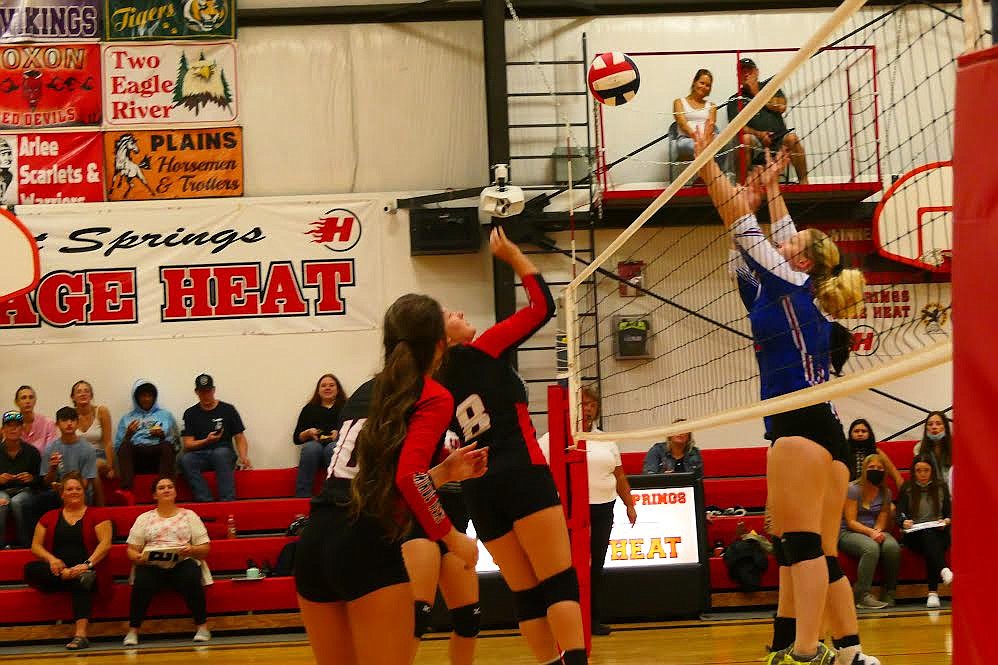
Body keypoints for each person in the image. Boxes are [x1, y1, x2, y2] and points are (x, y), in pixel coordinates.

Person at [692, 127, 874, 665]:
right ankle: (849, 653)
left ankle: (802, 652)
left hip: (800, 423)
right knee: (819, 553)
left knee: (800, 549)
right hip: (826, 429)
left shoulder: (786, 281)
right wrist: (770, 186)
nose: (781, 238)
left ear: (805, 261)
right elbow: (775, 229)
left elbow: (740, 222)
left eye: (790, 241)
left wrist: (706, 157)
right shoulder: (793, 288)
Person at [294, 292, 487, 665]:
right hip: (364, 543)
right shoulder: (433, 395)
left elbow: (378, 481)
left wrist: (445, 471)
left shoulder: (364, 392)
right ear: (439, 345)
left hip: (316, 541)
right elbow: (408, 479)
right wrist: (452, 536)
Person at [440, 227, 589, 665]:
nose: (462, 311)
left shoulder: (431, 385)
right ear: (443, 337)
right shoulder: (482, 349)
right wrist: (514, 255)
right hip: (522, 472)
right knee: (558, 581)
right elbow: (542, 307)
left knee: (525, 592)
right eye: (451, 313)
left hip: (478, 490)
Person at [24, 472, 112, 650]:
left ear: (84, 492)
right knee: (30, 568)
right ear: (62, 493)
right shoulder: (49, 516)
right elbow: (35, 546)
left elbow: (105, 544)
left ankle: (81, 636)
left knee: (83, 581)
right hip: (59, 572)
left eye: (78, 488)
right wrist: (52, 560)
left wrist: (86, 564)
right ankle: (69, 576)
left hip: (87, 570)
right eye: (69, 489)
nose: (74, 492)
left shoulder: (98, 515)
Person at [124, 476, 213, 646]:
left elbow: (205, 549)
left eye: (170, 487)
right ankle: (133, 631)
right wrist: (137, 557)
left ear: (175, 492)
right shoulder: (144, 518)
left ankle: (202, 627)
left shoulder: (189, 515)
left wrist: (192, 549)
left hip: (181, 561)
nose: (166, 490)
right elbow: (131, 549)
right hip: (152, 565)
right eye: (161, 487)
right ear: (154, 495)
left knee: (191, 576)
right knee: (142, 581)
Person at [726, 58, 808, 184]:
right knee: (745, 139)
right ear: (738, 76)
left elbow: (782, 106)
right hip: (756, 143)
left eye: (750, 70)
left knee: (792, 138)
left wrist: (757, 93)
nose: (746, 73)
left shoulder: (770, 87)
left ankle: (804, 183)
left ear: (757, 72)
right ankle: (740, 187)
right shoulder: (734, 99)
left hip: (779, 139)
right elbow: (737, 127)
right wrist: (760, 134)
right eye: (742, 71)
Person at [838, 454, 900, 609]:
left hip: (872, 529)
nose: (876, 471)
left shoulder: (886, 493)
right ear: (865, 469)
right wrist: (871, 533)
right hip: (849, 532)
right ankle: (861, 595)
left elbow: (882, 517)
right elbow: (851, 521)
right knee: (870, 548)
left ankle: (889, 591)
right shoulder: (853, 489)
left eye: (879, 468)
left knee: (892, 547)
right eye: (872, 468)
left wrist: (878, 530)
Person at [179, 375, 252, 502]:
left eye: (208, 391)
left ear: (213, 390)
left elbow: (239, 436)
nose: (205, 395)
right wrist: (206, 441)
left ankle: (227, 501)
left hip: (223, 452)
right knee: (185, 460)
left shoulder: (228, 409)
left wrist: (244, 456)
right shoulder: (190, 413)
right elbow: (188, 444)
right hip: (200, 454)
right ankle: (205, 500)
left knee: (220, 454)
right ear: (196, 392)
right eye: (202, 392)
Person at [897, 454, 952, 609]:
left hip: (939, 532)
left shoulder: (941, 487)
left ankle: (934, 593)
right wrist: (904, 521)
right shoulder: (907, 487)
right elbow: (899, 513)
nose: (922, 474)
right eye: (918, 470)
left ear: (932, 471)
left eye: (926, 470)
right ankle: (939, 578)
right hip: (915, 536)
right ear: (913, 472)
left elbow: (949, 514)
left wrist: (946, 521)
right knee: (928, 537)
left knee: (931, 539)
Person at [34, 407, 99, 520]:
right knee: (43, 498)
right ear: (57, 424)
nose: (69, 424)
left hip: (79, 491)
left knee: (77, 494)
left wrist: (66, 488)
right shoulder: (50, 449)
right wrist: (53, 468)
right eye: (64, 420)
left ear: (77, 423)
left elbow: (85, 483)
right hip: (57, 493)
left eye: (72, 420)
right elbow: (46, 482)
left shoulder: (88, 449)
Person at [114, 379, 179, 492]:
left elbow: (177, 445)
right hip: (136, 459)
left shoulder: (166, 415)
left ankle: (165, 488)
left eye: (150, 396)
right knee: (125, 446)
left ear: (154, 397)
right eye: (143, 396)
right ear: (136, 398)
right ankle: (127, 491)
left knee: (167, 446)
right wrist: (128, 435)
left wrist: (162, 436)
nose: (147, 399)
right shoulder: (126, 418)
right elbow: (117, 448)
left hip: (158, 458)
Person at [292, 373, 347, 498]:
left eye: (331, 385)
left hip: (336, 447)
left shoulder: (346, 407)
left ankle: (336, 496)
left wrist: (340, 434)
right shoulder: (309, 409)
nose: (327, 388)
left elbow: (356, 433)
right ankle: (302, 496)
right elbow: (296, 438)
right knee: (311, 448)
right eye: (323, 386)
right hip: (314, 448)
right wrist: (307, 433)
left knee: (332, 448)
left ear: (338, 389)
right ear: (318, 390)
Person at [672, 69, 730, 175]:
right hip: (686, 140)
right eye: (702, 83)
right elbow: (682, 123)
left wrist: (705, 140)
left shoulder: (712, 106)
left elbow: (711, 125)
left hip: (708, 138)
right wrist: (699, 140)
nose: (704, 87)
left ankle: (718, 177)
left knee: (722, 142)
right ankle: (708, 178)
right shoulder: (679, 102)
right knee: (700, 148)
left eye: (707, 85)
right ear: (695, 82)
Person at [0, 410, 41, 548]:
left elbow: (41, 481)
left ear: (22, 429)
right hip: (2, 491)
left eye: (17, 425)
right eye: (9, 425)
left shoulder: (32, 452)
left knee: (18, 502)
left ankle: (26, 545)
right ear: (3, 429)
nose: (13, 429)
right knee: (2, 502)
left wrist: (31, 478)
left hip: (26, 490)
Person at [71, 381, 115, 506]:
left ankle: (101, 509)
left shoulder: (101, 411)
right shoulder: (70, 415)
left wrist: (111, 467)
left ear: (91, 395)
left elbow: (107, 441)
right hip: (78, 458)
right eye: (79, 392)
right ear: (73, 397)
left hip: (99, 456)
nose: (83, 394)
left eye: (86, 391)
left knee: (93, 466)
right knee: (82, 476)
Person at [844, 419, 903, 488]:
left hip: (872, 490)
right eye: (856, 431)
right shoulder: (844, 452)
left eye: (864, 431)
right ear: (850, 434)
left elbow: (895, 474)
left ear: (869, 434)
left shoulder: (877, 452)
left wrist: (904, 493)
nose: (860, 434)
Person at [15, 386, 57, 453]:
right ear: (17, 402)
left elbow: (51, 453)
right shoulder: (11, 426)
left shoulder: (48, 424)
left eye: (31, 397)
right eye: (23, 398)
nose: (28, 401)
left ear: (35, 401)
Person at [913, 411, 952, 484]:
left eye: (938, 424)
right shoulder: (918, 448)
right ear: (926, 428)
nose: (934, 427)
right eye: (930, 424)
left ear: (945, 427)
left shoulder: (955, 447)